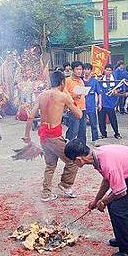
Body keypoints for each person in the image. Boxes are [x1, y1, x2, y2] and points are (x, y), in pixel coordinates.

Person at [64, 139, 128, 256]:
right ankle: (123, 239)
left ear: (78, 159)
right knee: (114, 205)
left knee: (119, 209)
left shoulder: (107, 163)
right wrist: (96, 201)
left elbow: (120, 191)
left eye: (72, 161)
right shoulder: (97, 155)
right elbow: (107, 180)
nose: (73, 164)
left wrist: (104, 201)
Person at [23, 71, 83, 201]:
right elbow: (79, 115)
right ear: (62, 83)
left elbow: (30, 116)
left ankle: (46, 193)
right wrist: (69, 96)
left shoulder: (41, 95)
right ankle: (65, 185)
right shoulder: (63, 96)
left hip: (44, 135)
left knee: (50, 165)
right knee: (73, 161)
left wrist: (27, 135)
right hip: (54, 136)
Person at [64, 61, 87, 144]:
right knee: (73, 130)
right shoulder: (68, 81)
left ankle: (82, 148)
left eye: (81, 69)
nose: (79, 71)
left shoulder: (81, 80)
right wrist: (74, 96)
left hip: (83, 108)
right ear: (73, 70)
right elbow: (64, 95)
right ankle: (68, 146)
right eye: (77, 69)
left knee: (82, 130)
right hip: (73, 109)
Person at [98, 64, 123, 139]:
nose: (108, 71)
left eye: (110, 70)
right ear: (104, 70)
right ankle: (103, 134)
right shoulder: (101, 79)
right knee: (101, 120)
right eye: (107, 69)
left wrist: (116, 90)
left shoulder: (115, 79)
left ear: (112, 71)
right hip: (102, 103)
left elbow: (121, 87)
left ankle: (116, 133)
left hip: (111, 103)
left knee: (113, 119)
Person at [83, 63, 102, 146]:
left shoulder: (94, 81)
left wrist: (100, 103)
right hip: (81, 106)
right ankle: (82, 141)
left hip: (91, 106)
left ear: (91, 71)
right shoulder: (80, 80)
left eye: (88, 69)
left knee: (94, 124)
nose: (86, 71)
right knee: (82, 125)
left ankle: (95, 140)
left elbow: (99, 93)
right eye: (85, 69)